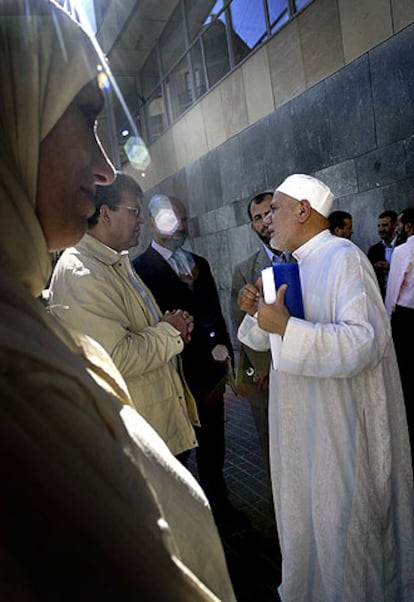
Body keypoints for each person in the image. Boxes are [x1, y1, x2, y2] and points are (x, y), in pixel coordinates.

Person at [0, 2, 236, 599]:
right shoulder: (17, 360)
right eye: (87, 117)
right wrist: (170, 333)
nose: (105, 166)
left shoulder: (93, 280)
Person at [238, 174, 414, 601]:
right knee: (310, 530)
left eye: (274, 210)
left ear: (302, 210)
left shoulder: (343, 258)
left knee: (347, 541)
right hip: (302, 429)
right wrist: (258, 313)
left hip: (339, 430)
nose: (267, 221)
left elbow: (365, 341)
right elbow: (267, 337)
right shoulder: (291, 265)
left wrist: (287, 327)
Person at [49, 173, 199, 458]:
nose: (140, 220)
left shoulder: (113, 261)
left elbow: (142, 330)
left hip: (152, 429)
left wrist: (171, 327)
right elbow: (114, 357)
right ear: (105, 213)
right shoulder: (83, 273)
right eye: (134, 212)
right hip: (132, 441)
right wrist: (170, 332)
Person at [133, 194, 243, 528]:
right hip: (174, 376)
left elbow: (214, 311)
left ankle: (219, 508)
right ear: (151, 223)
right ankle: (185, 521)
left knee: (213, 445)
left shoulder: (200, 262)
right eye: (169, 219)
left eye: (182, 218)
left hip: (209, 374)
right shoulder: (138, 270)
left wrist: (225, 351)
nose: (178, 225)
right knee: (177, 452)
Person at [231, 191, 292, 477]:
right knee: (274, 446)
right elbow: (240, 324)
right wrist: (264, 369)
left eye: (270, 212)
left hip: (308, 364)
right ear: (252, 226)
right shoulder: (244, 271)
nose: (266, 221)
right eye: (258, 218)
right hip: (268, 379)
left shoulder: (303, 256)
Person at [385, 207, 414, 466]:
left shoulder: (404, 251)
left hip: (407, 318)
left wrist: (387, 317)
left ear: (408, 227)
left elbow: (394, 287)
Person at [367, 209, 398, 298]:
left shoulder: (404, 246)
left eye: (385, 225)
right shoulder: (374, 250)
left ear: (394, 226)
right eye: (379, 226)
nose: (381, 229)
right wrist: (374, 267)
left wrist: (391, 269)